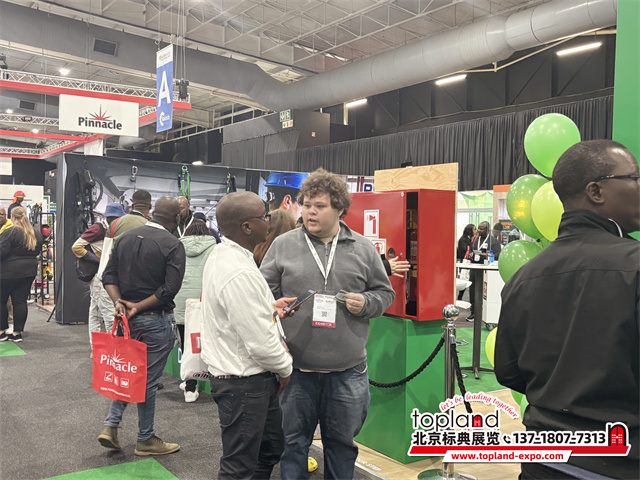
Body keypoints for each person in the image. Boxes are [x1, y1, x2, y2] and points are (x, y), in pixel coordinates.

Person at [495, 140, 640, 480]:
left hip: (542, 462)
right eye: (634, 177)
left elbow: (508, 371)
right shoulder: (634, 267)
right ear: (596, 191)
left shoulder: (523, 277)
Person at [260, 168, 395, 480]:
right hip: (295, 372)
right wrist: (275, 308)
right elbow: (262, 294)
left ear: (340, 209)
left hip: (347, 373)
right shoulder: (283, 245)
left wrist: (366, 303)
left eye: (319, 206)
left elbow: (384, 293)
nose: (310, 211)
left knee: (341, 446)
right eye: (307, 204)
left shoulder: (363, 248)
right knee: (293, 445)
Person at [200, 191, 294, 479]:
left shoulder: (228, 256)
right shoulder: (237, 270)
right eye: (264, 216)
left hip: (248, 379)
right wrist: (286, 368)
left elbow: (239, 315)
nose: (269, 222)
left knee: (269, 449)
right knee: (238, 467)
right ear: (247, 227)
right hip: (243, 383)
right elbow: (260, 344)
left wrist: (269, 309)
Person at [98, 196, 185, 456]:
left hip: (127, 320)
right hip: (155, 320)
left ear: (152, 212)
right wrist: (138, 306)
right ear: (177, 218)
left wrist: (120, 303)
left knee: (128, 373)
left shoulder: (124, 238)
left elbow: (108, 275)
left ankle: (111, 425)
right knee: (147, 380)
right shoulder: (172, 244)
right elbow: (169, 289)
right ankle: (145, 438)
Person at [71, 203, 125, 353]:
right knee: (107, 313)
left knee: (95, 312)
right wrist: (98, 260)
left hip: (104, 275)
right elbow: (76, 247)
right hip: (99, 276)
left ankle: (96, 349)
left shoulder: (113, 228)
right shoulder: (98, 228)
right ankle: (112, 351)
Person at [173, 221, 217, 402]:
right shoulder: (215, 248)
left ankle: (190, 388)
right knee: (212, 344)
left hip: (182, 301)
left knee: (187, 345)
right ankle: (216, 385)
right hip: (205, 302)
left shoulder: (177, 247)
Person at [0, 207, 43, 342]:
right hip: (29, 272)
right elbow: (37, 251)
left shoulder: (10, 232)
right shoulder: (36, 233)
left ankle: (1, 332)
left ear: (12, 217)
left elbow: (1, 252)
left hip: (7, 272)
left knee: (1, 300)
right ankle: (17, 333)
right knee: (20, 301)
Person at [467, 220, 501, 321]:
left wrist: (486, 255)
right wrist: (471, 255)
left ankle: (486, 313)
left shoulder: (493, 241)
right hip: (475, 268)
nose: (478, 230)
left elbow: (498, 255)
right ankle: (473, 312)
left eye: (481, 229)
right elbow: (472, 250)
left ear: (487, 230)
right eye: (478, 228)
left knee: (485, 292)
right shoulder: (476, 239)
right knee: (473, 290)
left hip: (487, 270)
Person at [456, 223, 476, 301]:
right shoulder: (463, 240)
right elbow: (464, 251)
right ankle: (460, 297)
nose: (476, 231)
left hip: (469, 263)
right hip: (464, 263)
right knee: (464, 280)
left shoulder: (471, 239)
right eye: (474, 229)